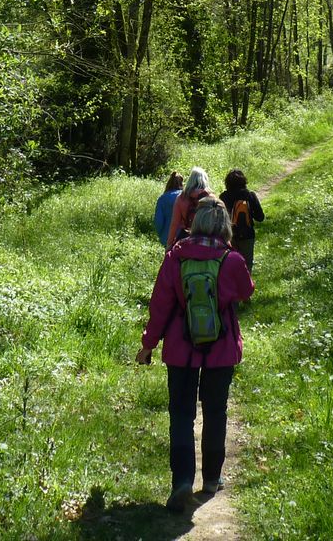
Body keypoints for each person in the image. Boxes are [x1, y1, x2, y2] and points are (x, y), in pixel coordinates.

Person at [137, 198, 254, 513]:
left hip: (180, 348)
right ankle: (213, 479)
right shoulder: (231, 260)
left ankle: (182, 481)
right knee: (215, 412)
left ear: (196, 223)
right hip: (221, 348)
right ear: (224, 227)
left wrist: (148, 345)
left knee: (181, 414)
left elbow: (160, 306)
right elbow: (247, 291)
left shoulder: (175, 258)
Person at [218, 169, 265, 271]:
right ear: (244, 181)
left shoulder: (223, 197)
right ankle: (246, 285)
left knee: (230, 265)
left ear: (227, 183)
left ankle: (232, 285)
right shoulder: (250, 195)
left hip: (229, 237)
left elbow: (219, 218)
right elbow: (260, 217)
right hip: (247, 236)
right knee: (247, 265)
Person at [164, 166, 212, 248]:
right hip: (206, 239)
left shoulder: (181, 198)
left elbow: (174, 224)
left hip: (185, 238)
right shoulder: (211, 198)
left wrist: (169, 245)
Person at [154, 172, 182, 245]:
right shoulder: (186, 197)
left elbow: (158, 221)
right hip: (184, 237)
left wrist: (160, 234)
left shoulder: (162, 199)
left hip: (167, 237)